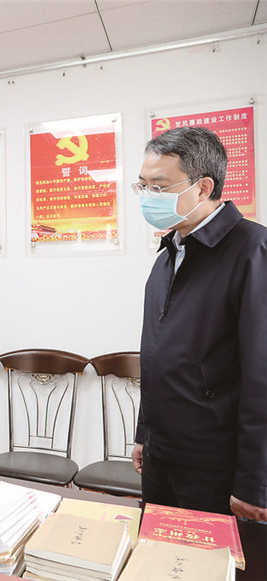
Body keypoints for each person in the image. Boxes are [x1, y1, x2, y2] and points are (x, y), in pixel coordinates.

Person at [131, 127, 267, 521]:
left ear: (203, 187)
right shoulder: (168, 255)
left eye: (159, 187)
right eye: (142, 186)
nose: (147, 197)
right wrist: (145, 434)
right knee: (155, 549)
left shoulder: (252, 252)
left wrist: (256, 480)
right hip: (162, 453)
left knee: (211, 555)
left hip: (216, 462)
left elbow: (261, 376)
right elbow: (155, 354)